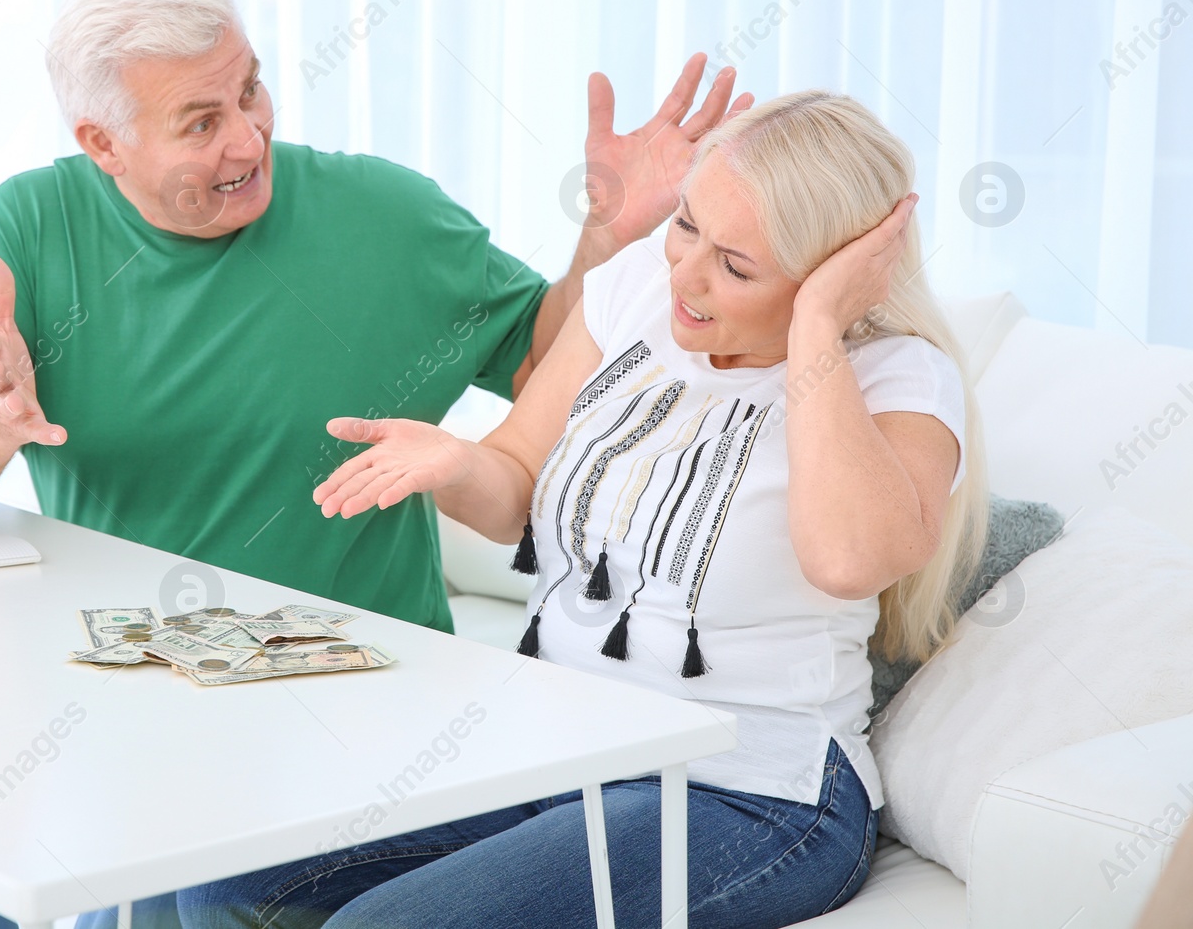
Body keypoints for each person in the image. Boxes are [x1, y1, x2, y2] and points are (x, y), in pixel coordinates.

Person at [0, 0, 750, 929]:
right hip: (128, 711)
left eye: (250, 92)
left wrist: (607, 241)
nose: (246, 139)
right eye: (200, 122)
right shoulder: (31, 229)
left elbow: (548, 370)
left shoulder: (383, 217)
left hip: (356, 720)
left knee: (174, 891)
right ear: (103, 142)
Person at [173, 90, 992, 929]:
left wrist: (818, 327)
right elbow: (513, 484)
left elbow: (848, 558)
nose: (686, 272)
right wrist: (458, 463)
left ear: (835, 276)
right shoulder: (637, 287)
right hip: (557, 744)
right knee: (210, 875)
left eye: (737, 265)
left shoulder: (896, 379)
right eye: (686, 224)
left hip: (750, 789)